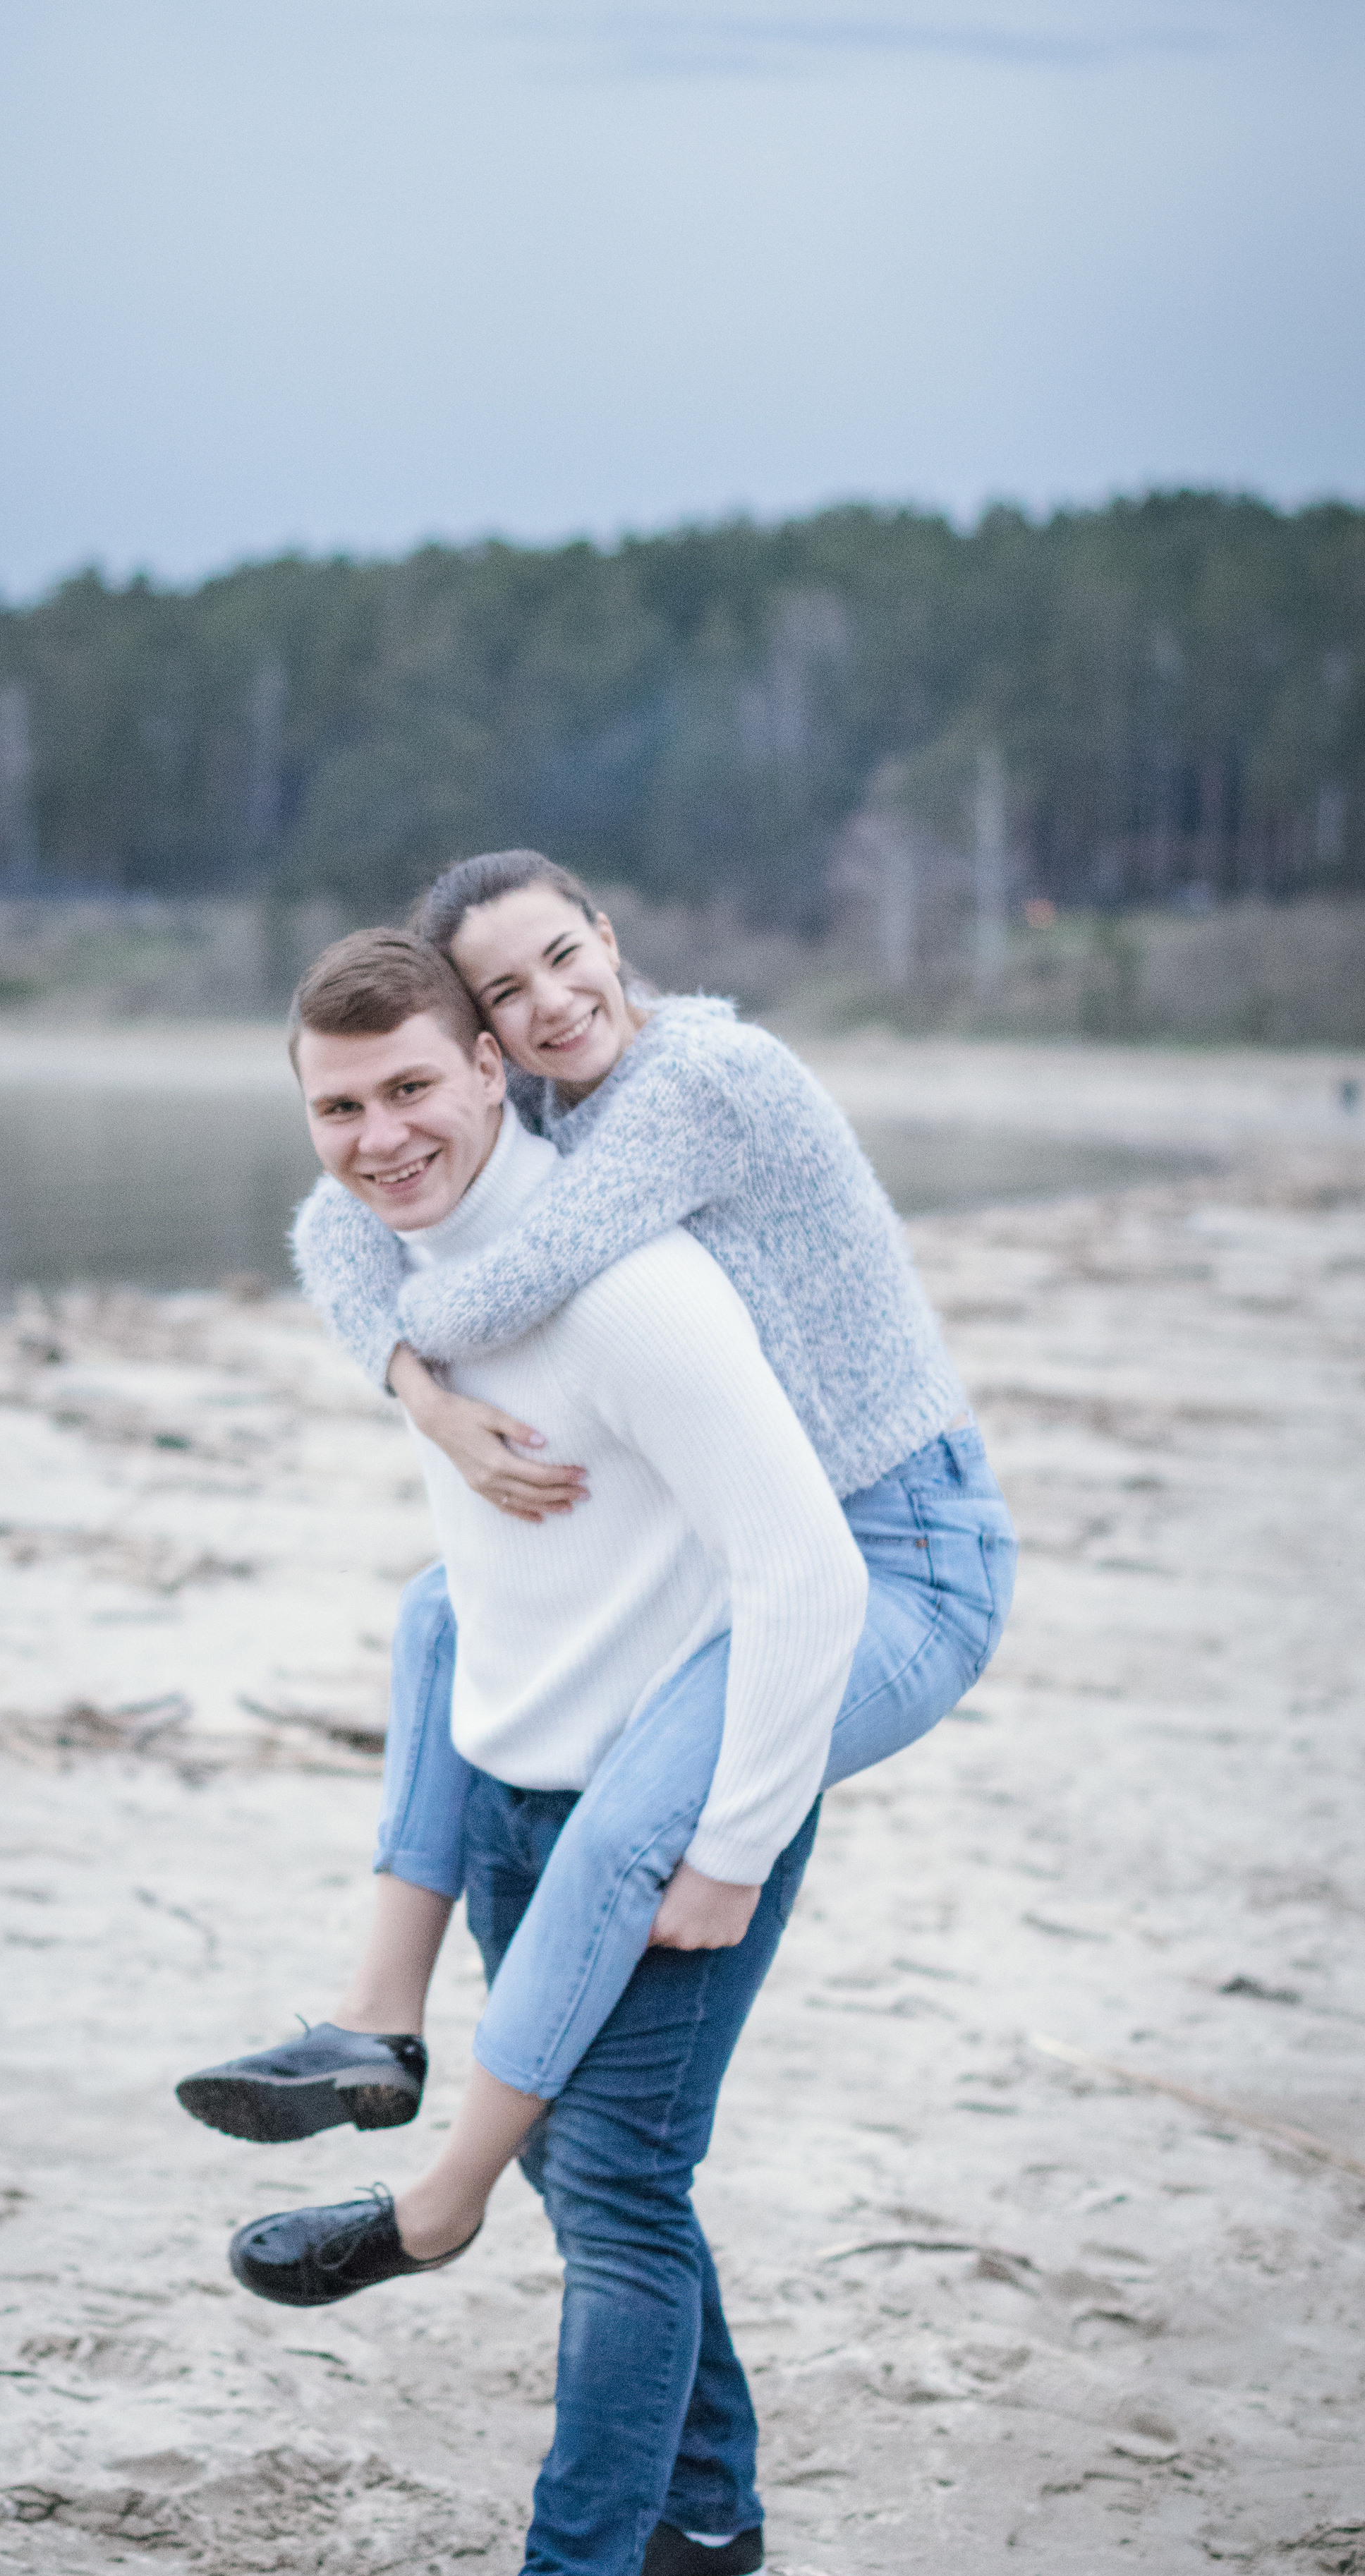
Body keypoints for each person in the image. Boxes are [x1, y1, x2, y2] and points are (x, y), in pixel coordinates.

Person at [178, 852, 1017, 2274]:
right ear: (488, 1040)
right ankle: (376, 2019)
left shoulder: (699, 1077)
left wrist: (417, 1356)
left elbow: (511, 1271)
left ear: (610, 936)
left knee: (634, 1819)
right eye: (507, 991)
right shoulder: (559, 1099)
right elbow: (336, 1225)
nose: (557, 1000)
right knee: (440, 1614)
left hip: (907, 1549)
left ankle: (440, 2202)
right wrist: (420, 1390)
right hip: (766, 1525)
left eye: (567, 954)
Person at [202, 927, 870, 2576]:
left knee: (624, 2198)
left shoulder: (630, 1291)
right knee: (590, 2173)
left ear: (494, 1069)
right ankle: (708, 2518)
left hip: (653, 1830)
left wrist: (729, 1837)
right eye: (338, 1106)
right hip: (513, 1792)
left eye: (412, 1086)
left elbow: (808, 1570)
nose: (377, 1135)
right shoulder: (410, 1276)